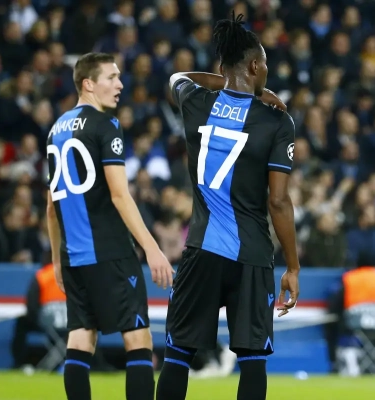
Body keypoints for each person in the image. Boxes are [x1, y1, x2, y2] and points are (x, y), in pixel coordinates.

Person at [155, 13, 300, 400]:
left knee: (178, 354)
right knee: (252, 359)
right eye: (263, 64)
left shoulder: (196, 102)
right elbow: (278, 201)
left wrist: (228, 81)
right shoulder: (276, 122)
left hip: (201, 249)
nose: (266, 71)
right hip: (251, 254)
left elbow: (177, 78)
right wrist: (293, 266)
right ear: (254, 67)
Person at [45, 52, 174, 400]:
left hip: (73, 256)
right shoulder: (105, 125)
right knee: (138, 338)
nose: (120, 85)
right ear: (88, 84)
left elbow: (51, 207)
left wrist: (57, 259)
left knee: (81, 337)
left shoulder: (56, 130)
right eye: (111, 78)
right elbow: (119, 195)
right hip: (109, 250)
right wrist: (151, 248)